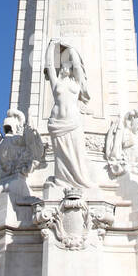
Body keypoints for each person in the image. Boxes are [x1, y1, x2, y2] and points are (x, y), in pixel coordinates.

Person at [43, 40, 96, 191]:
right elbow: (50, 66)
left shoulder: (76, 84)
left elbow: (79, 67)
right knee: (60, 157)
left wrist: (72, 50)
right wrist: (51, 46)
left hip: (73, 121)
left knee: (76, 153)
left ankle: (80, 180)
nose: (66, 66)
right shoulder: (56, 84)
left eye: (69, 65)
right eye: (64, 65)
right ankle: (61, 181)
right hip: (57, 123)